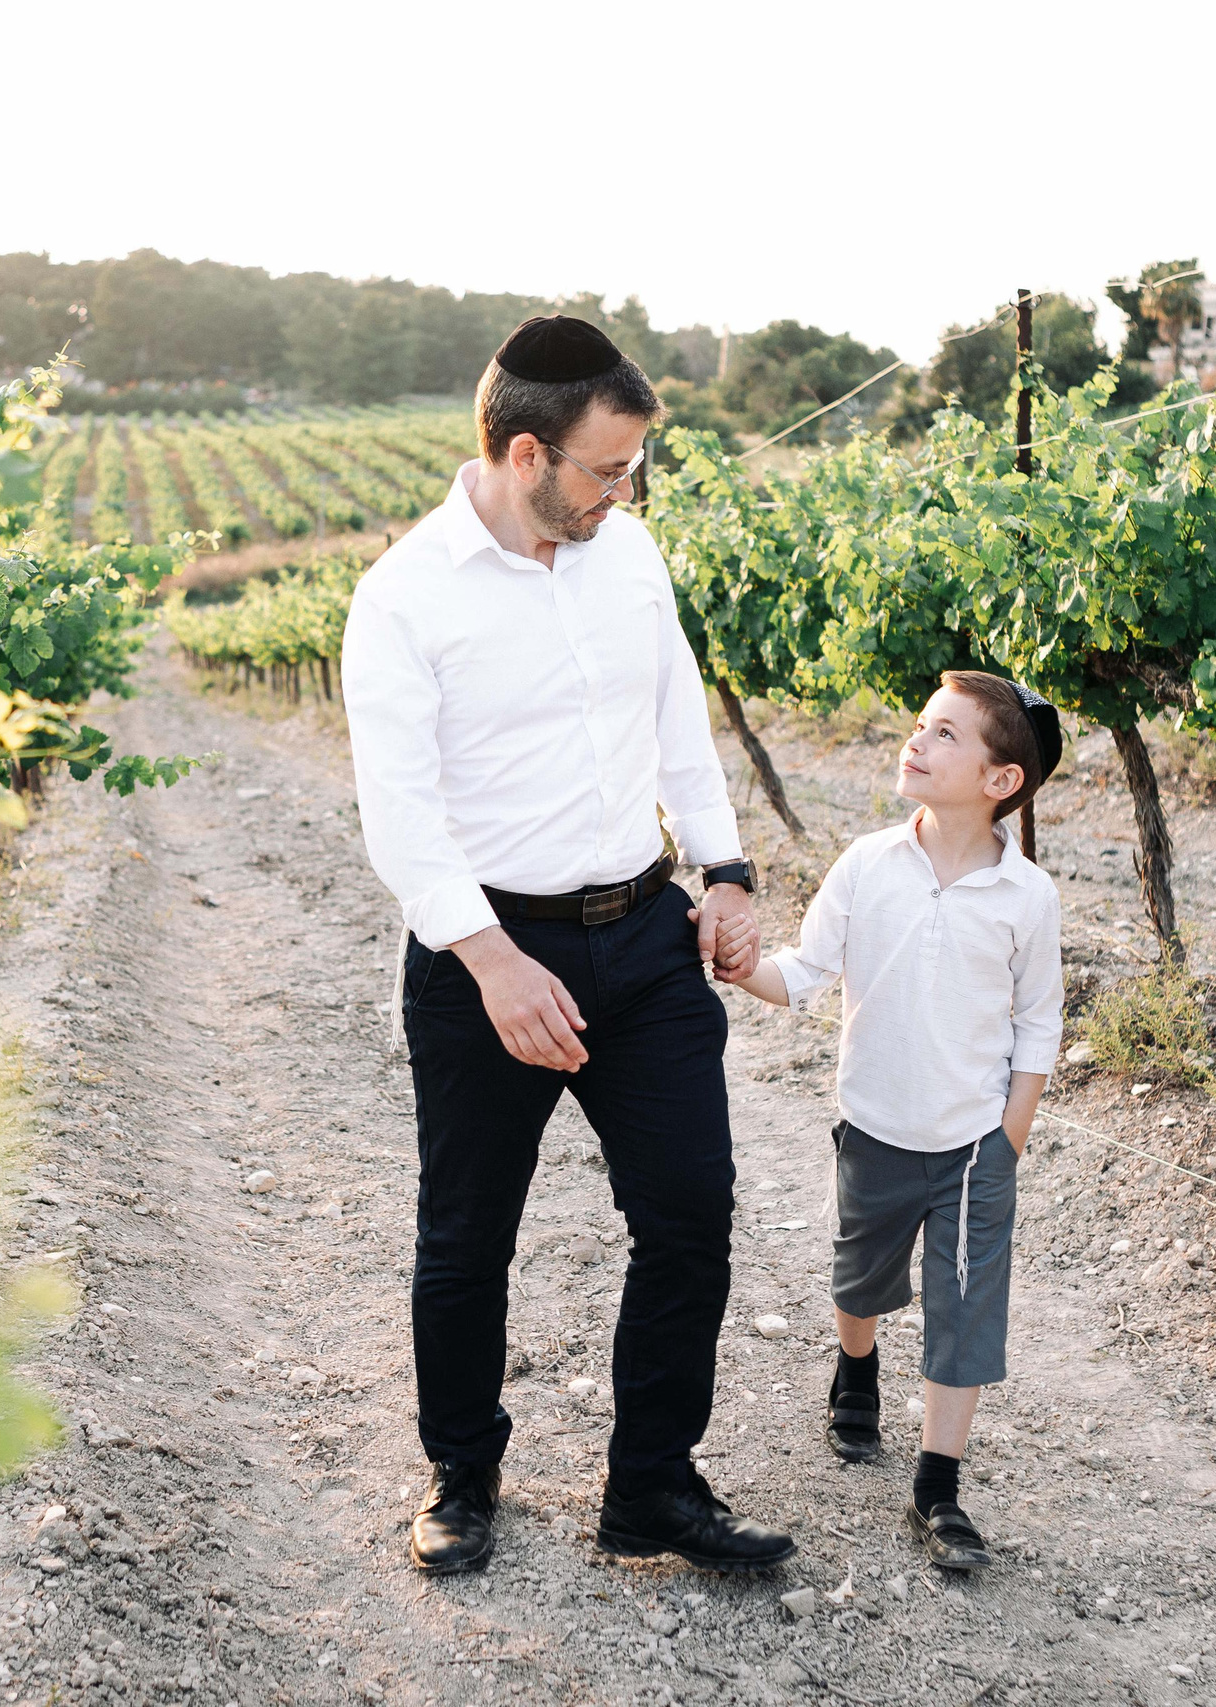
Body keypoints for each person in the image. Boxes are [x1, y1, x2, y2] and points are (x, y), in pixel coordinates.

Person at [340, 315, 794, 1577]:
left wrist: (728, 871)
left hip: (642, 938)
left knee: (692, 1211)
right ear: (524, 450)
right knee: (468, 1232)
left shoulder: (629, 554)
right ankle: (463, 1473)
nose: (624, 491)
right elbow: (403, 817)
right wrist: (490, 962)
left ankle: (649, 1488)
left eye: (633, 470)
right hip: (484, 957)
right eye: (606, 468)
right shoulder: (403, 599)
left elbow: (677, 718)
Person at [721, 671, 1064, 1572]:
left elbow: (1039, 1022)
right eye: (921, 724)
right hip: (873, 1125)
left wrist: (1007, 1140)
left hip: (972, 1145)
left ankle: (938, 1487)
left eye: (947, 734)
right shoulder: (868, 864)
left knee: (965, 1310)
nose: (917, 740)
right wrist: (734, 963)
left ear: (1002, 782)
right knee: (861, 1276)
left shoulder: (1028, 897)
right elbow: (800, 974)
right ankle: (856, 1368)